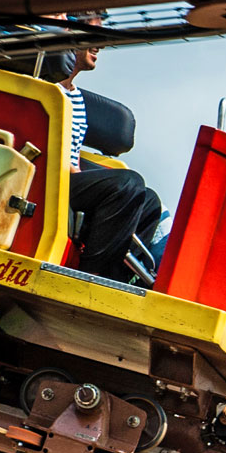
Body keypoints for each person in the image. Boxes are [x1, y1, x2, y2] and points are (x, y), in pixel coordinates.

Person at [56, 29, 163, 283]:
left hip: (68, 176)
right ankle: (91, 274)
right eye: (92, 36)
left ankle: (120, 277)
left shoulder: (76, 97)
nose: (100, 46)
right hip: (47, 178)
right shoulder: (48, 88)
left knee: (149, 201)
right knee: (128, 184)